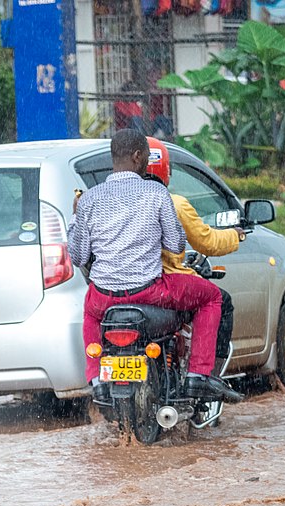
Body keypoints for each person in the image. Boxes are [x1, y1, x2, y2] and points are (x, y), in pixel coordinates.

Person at [69, 128, 240, 404]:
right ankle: (198, 374)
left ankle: (97, 379)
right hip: (149, 292)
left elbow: (78, 256)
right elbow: (175, 245)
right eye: (147, 157)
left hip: (103, 297)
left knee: (89, 312)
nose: (149, 164)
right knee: (212, 297)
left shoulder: (88, 199)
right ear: (137, 157)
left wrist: (74, 221)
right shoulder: (156, 193)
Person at [143, 136, 243, 372]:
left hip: (119, 287)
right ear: (165, 170)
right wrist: (235, 235)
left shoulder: (111, 200)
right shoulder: (173, 203)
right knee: (220, 300)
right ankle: (206, 375)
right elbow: (206, 242)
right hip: (165, 283)